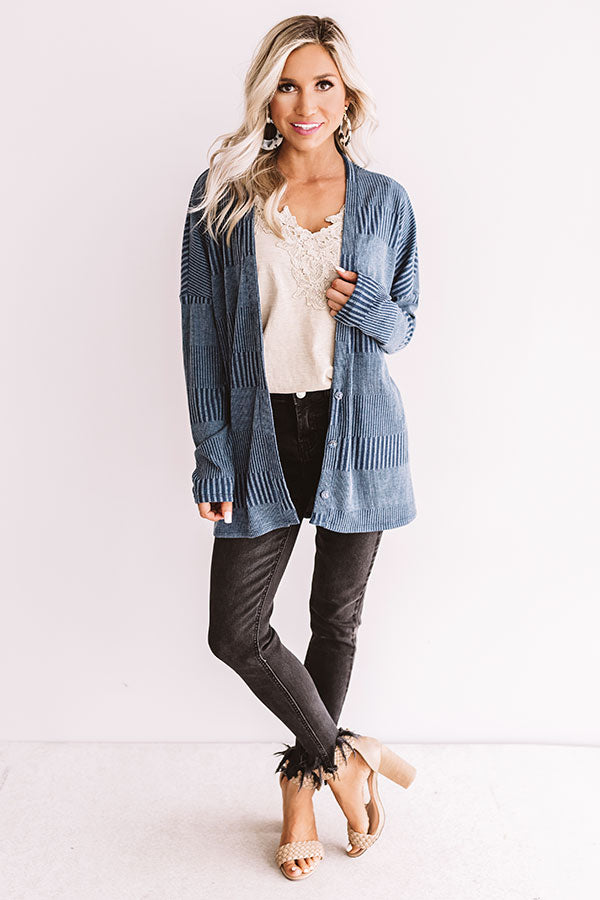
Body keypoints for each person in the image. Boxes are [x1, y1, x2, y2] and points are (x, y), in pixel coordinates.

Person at [178, 15, 420, 881]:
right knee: (236, 631)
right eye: (287, 85)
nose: (304, 103)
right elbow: (202, 334)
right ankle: (344, 758)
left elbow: (405, 324)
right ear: (266, 96)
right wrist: (213, 449)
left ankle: (299, 791)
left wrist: (369, 309)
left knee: (334, 621)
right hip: (260, 434)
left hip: (361, 437)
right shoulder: (223, 194)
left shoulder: (385, 200)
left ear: (347, 95)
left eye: (322, 84)